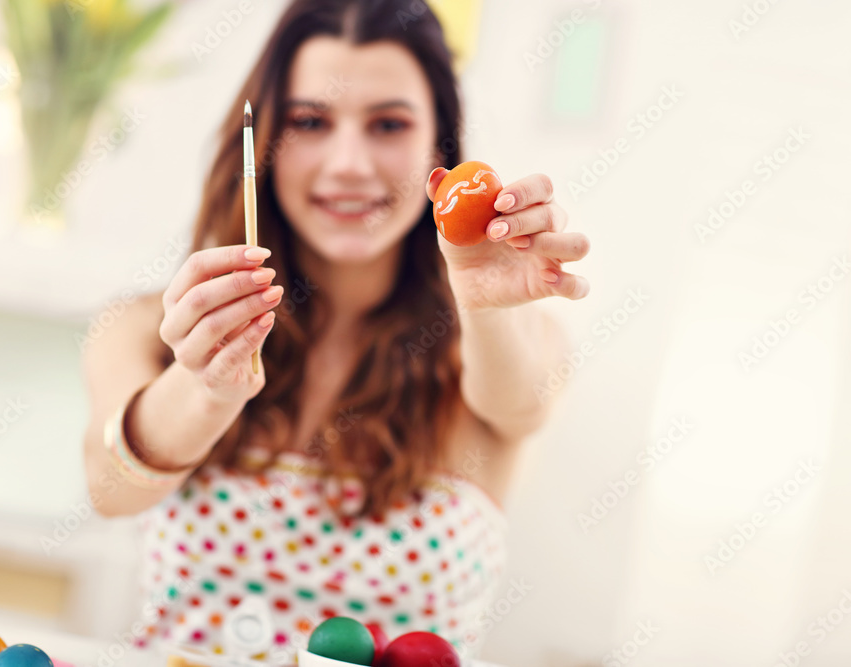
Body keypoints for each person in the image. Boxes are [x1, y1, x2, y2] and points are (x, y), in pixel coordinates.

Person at [81, 0, 590, 662]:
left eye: (389, 124)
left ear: (440, 151)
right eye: (310, 121)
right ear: (264, 142)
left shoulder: (510, 343)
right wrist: (205, 387)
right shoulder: (147, 328)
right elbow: (110, 491)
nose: (349, 162)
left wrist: (488, 304)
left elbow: (519, 401)